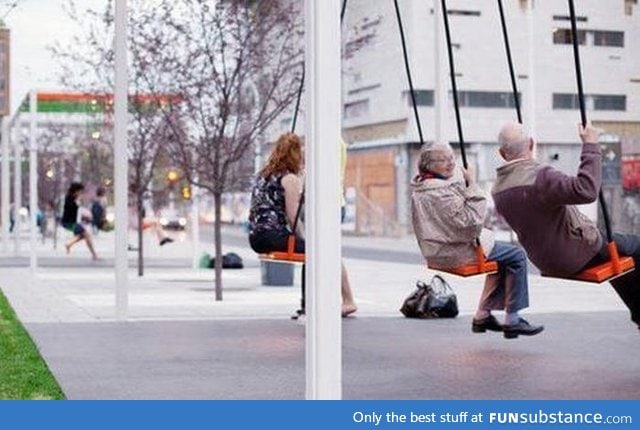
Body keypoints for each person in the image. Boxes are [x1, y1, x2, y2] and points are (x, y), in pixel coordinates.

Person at [493, 121, 640, 329]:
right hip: (577, 252)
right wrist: (590, 145)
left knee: (620, 261)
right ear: (532, 144)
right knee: (636, 247)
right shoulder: (541, 178)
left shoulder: (498, 189)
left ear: (501, 153)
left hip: (545, 260)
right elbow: (586, 190)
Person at [411, 142, 543, 339]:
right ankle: (513, 321)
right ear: (428, 164)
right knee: (516, 256)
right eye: (443, 160)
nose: (451, 164)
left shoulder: (421, 187)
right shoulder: (440, 192)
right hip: (456, 252)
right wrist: (472, 184)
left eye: (451, 158)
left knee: (499, 261)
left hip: (437, 249)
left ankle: (482, 315)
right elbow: (472, 223)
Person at [248, 132, 357, 317]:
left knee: (310, 252)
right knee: (322, 252)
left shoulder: (263, 175)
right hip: (273, 236)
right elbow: (293, 217)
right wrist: (304, 237)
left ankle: (309, 304)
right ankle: (346, 300)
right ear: (295, 155)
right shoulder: (290, 179)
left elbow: (273, 202)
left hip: (256, 238)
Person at [61, 182, 99, 260]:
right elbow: (70, 211)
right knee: (87, 235)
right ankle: (94, 255)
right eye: (80, 191)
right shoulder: (70, 199)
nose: (81, 193)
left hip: (71, 222)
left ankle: (69, 244)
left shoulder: (71, 198)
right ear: (76, 191)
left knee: (84, 235)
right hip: (69, 223)